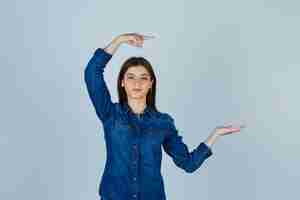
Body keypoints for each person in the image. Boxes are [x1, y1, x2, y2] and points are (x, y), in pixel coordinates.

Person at [84, 33, 245, 200]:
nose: (137, 83)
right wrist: (120, 40)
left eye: (143, 78)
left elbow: (188, 164)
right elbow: (92, 73)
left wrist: (216, 134)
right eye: (130, 77)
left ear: (151, 84)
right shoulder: (110, 114)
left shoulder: (163, 123)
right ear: (122, 82)